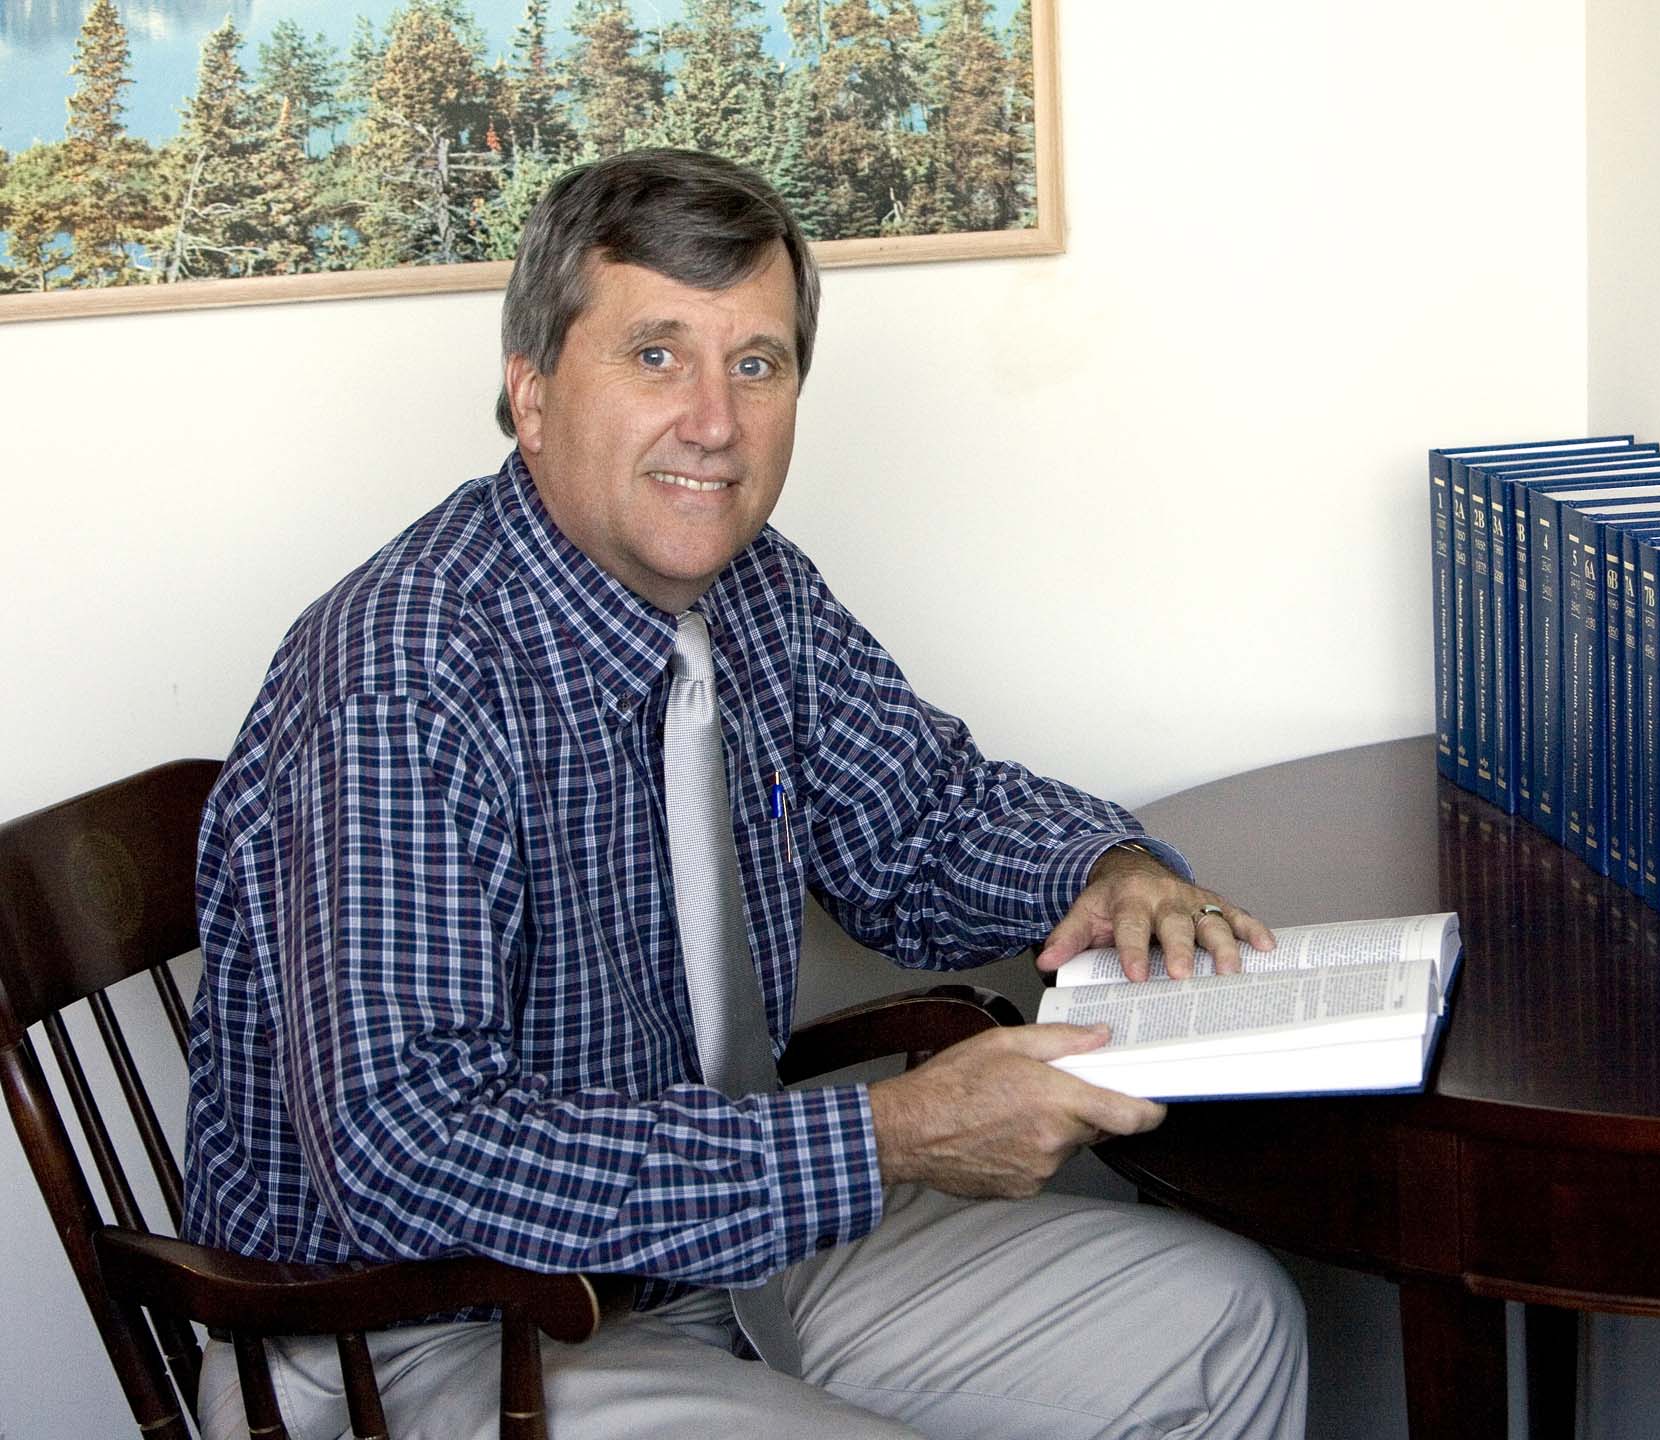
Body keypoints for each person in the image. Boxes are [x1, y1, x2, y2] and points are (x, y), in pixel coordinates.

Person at [184, 147, 1307, 1439]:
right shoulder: (403, 678)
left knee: (1220, 1326)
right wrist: (885, 1138)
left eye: (757, 364)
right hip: (428, 1331)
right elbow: (410, 1158)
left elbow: (921, 823)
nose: (715, 422)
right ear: (533, 392)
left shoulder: (758, 591)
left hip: (711, 1238)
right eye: (656, 355)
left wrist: (1104, 871)